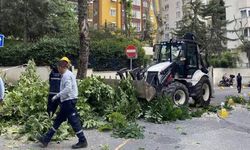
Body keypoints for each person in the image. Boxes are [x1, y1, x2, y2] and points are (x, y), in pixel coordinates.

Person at [38, 60, 87, 149]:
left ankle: (83, 140)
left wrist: (57, 96)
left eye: (58, 68)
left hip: (68, 101)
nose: (58, 70)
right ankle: (46, 139)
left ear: (62, 67)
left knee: (74, 121)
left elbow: (68, 89)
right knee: (58, 120)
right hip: (67, 101)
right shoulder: (67, 74)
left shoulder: (66, 76)